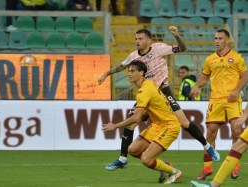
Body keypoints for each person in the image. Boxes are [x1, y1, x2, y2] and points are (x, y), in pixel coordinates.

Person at [97, 27, 220, 175]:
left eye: (140, 39)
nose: (137, 41)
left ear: (149, 40)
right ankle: (123, 159)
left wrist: (177, 36)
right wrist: (106, 74)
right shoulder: (133, 56)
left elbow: (182, 48)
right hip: (148, 94)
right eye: (136, 39)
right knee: (131, 122)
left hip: (163, 90)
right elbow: (121, 66)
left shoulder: (159, 48)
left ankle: (207, 147)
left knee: (184, 122)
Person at [102, 60, 182, 184]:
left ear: (142, 72)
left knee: (145, 159)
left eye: (133, 71)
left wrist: (115, 126)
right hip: (158, 125)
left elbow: (136, 119)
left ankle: (174, 171)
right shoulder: (148, 84)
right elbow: (152, 108)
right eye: (128, 71)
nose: (129, 74)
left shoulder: (144, 90)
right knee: (133, 150)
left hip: (170, 126)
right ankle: (163, 166)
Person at [190, 29, 247, 181]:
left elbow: (245, 76)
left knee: (236, 130)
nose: (216, 41)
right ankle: (207, 167)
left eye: (220, 38)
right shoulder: (210, 59)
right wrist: (197, 86)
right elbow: (204, 78)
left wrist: (237, 90)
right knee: (210, 133)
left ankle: (235, 165)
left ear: (227, 40)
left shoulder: (237, 58)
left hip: (233, 99)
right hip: (215, 100)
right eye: (215, 38)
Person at [190, 103, 248, 187]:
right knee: (237, 147)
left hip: (232, 101)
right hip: (216, 100)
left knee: (237, 144)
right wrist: (244, 116)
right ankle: (212, 184)